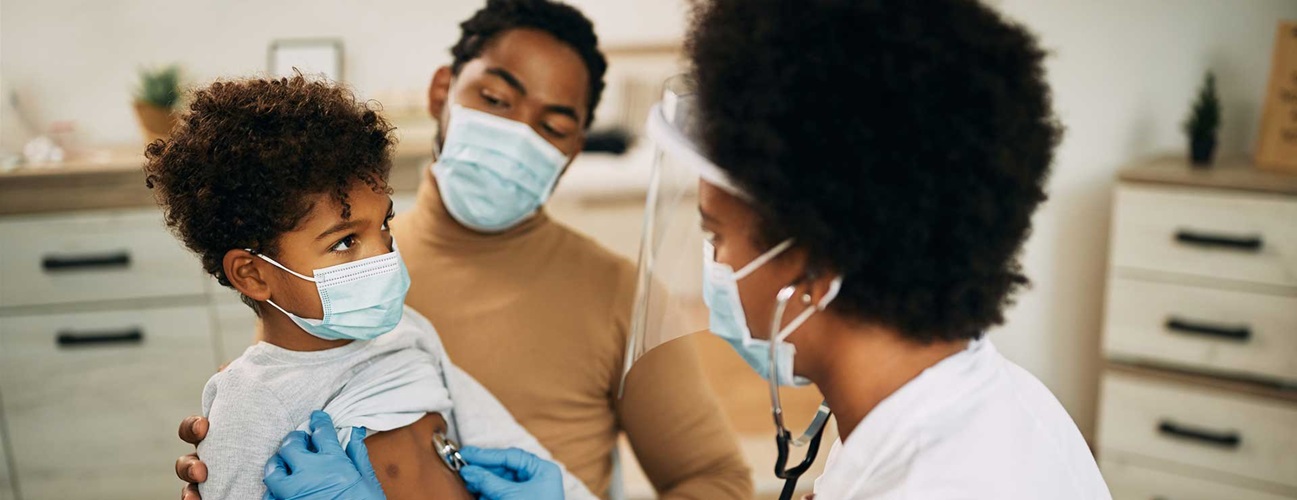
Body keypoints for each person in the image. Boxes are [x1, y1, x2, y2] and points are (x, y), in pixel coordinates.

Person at [248, 0, 1114, 498]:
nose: (708, 268)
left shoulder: (958, 475)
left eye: (713, 234)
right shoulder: (913, 423)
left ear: (812, 265)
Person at [174, 1, 751, 499]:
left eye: (552, 125)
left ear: (578, 146)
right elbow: (275, 391)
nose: (518, 135)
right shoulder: (322, 281)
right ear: (442, 91)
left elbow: (715, 479)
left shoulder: (620, 292)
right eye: (497, 99)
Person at [145, 75, 594, 500]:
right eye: (344, 241)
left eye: (384, 226)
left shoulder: (409, 334)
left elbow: (501, 438)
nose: (383, 255)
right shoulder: (253, 403)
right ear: (253, 274)